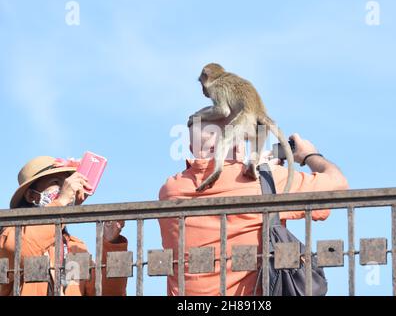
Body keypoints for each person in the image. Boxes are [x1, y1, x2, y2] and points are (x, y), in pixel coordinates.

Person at [158, 116, 349, 296]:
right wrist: (308, 155)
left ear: (192, 148)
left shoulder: (170, 190)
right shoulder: (266, 180)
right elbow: (338, 187)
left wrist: (264, 172)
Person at [0, 156, 128, 296]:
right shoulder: (9, 234)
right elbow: (22, 250)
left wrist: (112, 245)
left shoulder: (75, 247)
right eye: (56, 182)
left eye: (66, 183)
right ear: (31, 196)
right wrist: (61, 202)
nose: (66, 188)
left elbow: (108, 293)